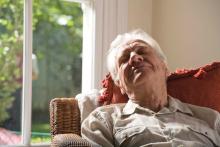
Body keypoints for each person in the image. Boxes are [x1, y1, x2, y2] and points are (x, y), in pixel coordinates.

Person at [81, 29, 220, 147]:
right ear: (119, 84)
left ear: (165, 68)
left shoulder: (211, 118)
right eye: (124, 58)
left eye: (142, 51)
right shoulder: (103, 120)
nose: (135, 58)